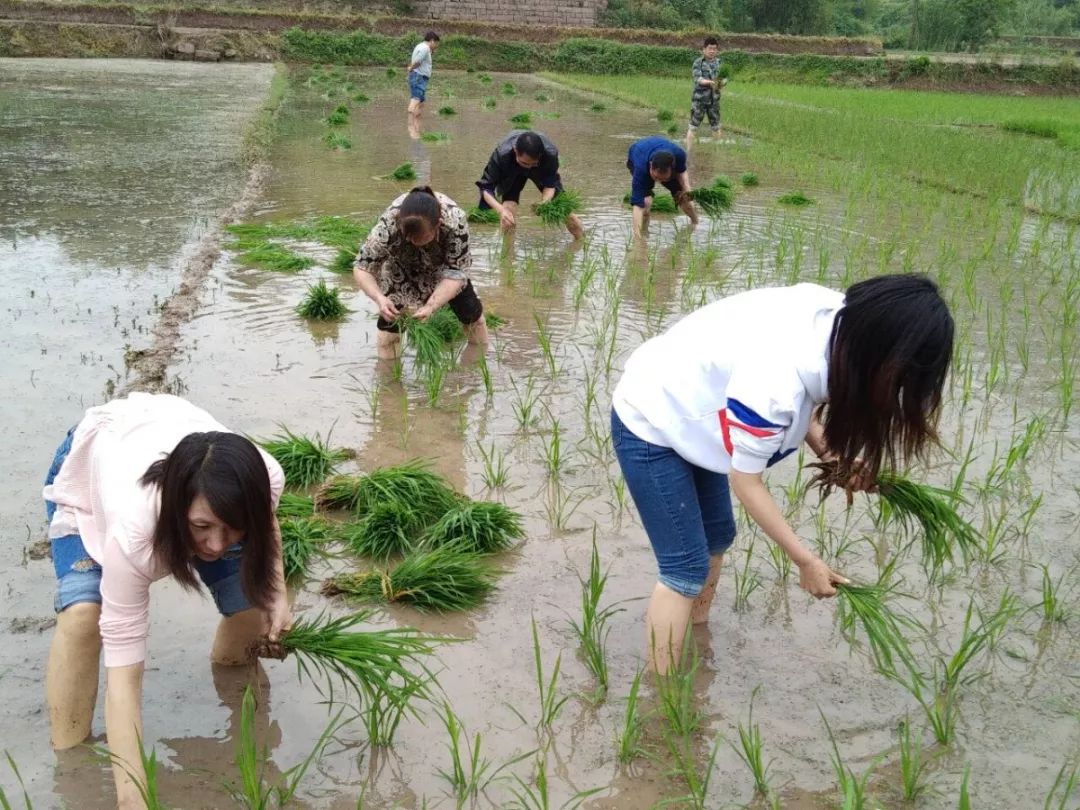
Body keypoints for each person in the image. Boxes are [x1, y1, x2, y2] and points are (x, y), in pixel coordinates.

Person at [610, 275, 955, 674]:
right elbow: (746, 482)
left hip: (697, 405)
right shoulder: (774, 385)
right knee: (683, 567)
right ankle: (664, 697)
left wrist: (834, 458)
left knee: (718, 536)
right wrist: (805, 560)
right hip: (652, 416)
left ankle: (697, 634)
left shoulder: (840, 322)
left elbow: (806, 402)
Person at [41, 392, 291, 809]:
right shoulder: (135, 532)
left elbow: (265, 523)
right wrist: (132, 799)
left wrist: (277, 592)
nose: (215, 545)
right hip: (94, 458)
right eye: (202, 528)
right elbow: (124, 680)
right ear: (178, 513)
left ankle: (233, 677)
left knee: (253, 609)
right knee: (84, 614)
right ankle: (71, 765)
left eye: (232, 530)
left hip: (172, 438)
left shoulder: (264, 476)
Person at [353, 186, 488, 359]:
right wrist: (379, 298)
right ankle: (389, 380)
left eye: (420, 238)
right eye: (408, 237)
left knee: (472, 317)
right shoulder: (389, 223)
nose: (413, 242)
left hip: (444, 267)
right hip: (400, 265)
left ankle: (476, 370)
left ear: (438, 225)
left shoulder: (455, 221)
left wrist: (431, 306)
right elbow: (362, 267)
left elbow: (456, 272)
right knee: (390, 329)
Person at [476, 130, 585, 239]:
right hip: (511, 169)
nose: (528, 167)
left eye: (533, 163)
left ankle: (582, 242)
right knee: (508, 212)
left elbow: (550, 184)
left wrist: (545, 202)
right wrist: (501, 210)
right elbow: (486, 188)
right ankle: (508, 252)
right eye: (524, 163)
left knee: (564, 210)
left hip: (540, 170)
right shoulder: (501, 155)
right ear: (515, 151)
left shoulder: (549, 154)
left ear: (540, 156)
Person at [626, 136, 698, 240]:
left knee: (682, 197)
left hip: (663, 151)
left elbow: (682, 174)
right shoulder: (641, 169)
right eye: (656, 177)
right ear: (651, 166)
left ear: (672, 168)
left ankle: (695, 222)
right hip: (637, 153)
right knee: (645, 203)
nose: (659, 181)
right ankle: (643, 232)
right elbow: (637, 205)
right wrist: (637, 240)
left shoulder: (679, 155)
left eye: (664, 179)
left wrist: (687, 190)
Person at [687, 36, 726, 145]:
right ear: (704, 49)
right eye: (710, 48)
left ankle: (716, 149)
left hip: (714, 101)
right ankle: (689, 150)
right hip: (700, 100)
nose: (712, 51)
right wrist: (711, 82)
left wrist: (722, 83)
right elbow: (698, 79)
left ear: (717, 50)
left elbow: (725, 78)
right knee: (693, 126)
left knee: (716, 126)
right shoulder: (698, 63)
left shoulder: (720, 63)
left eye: (714, 49)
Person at [406, 30, 440, 128]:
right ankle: (410, 128)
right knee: (415, 101)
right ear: (432, 41)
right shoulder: (425, 48)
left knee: (421, 102)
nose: (436, 46)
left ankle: (416, 126)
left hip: (420, 78)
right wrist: (410, 68)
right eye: (436, 43)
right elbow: (418, 61)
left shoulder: (422, 47)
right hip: (418, 77)